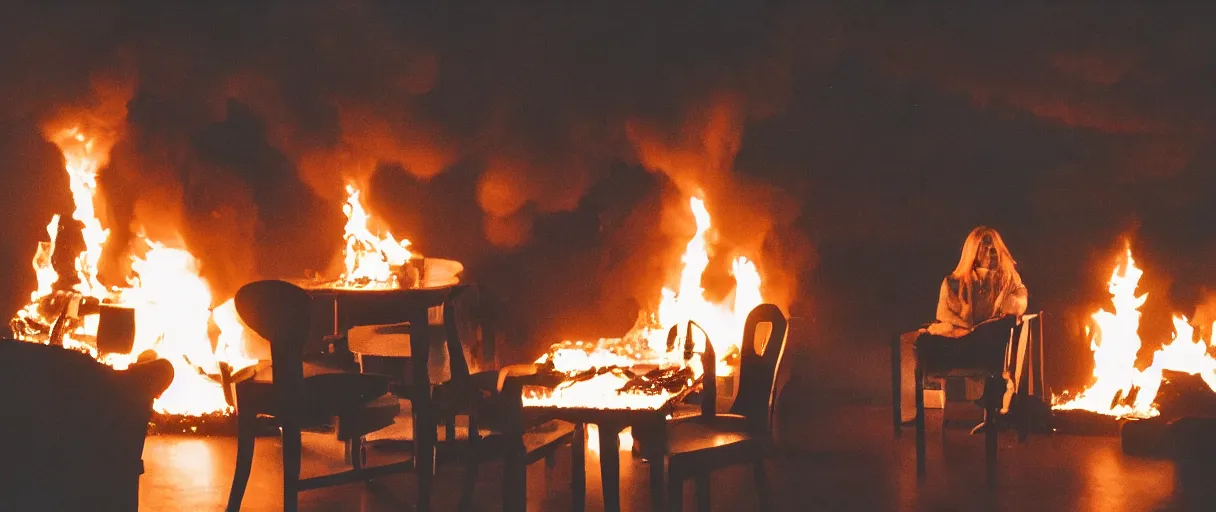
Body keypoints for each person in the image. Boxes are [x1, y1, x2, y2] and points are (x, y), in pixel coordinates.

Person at [901, 226, 1029, 427]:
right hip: (959, 347)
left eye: (993, 246)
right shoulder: (953, 282)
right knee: (914, 340)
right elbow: (945, 316)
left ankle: (989, 408)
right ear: (974, 251)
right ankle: (914, 410)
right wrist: (964, 330)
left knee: (919, 341)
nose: (991, 251)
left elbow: (1016, 308)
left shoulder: (1009, 281)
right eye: (985, 246)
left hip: (990, 350)